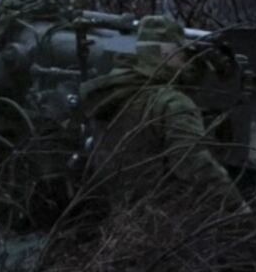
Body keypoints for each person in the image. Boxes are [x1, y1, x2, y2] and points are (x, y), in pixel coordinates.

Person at [79, 15, 246, 216]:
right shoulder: (171, 103)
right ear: (166, 52)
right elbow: (193, 163)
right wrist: (236, 206)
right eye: (182, 52)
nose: (186, 59)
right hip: (165, 219)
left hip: (120, 216)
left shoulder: (112, 93)